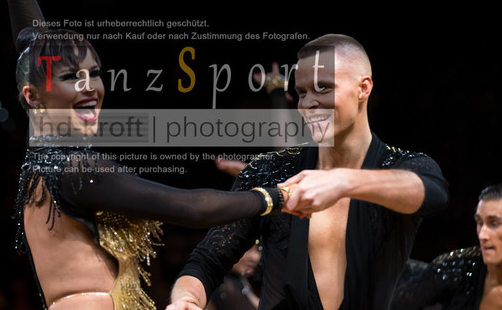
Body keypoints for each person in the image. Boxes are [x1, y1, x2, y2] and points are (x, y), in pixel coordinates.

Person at [0, 0, 291, 310]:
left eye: (95, 74)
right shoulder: (76, 169)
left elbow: (34, 51)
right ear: (33, 97)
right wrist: (277, 196)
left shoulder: (47, 157)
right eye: (72, 78)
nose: (91, 87)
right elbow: (191, 208)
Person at [167, 34, 450, 310]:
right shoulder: (268, 170)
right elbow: (208, 260)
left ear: (363, 88)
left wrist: (344, 181)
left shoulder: (403, 164)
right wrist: (187, 298)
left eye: (323, 88)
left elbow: (431, 192)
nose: (306, 104)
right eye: (302, 92)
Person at [391, 183, 502, 309]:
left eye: (494, 223)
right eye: (479, 222)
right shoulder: (459, 266)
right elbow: (394, 304)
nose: (482, 235)